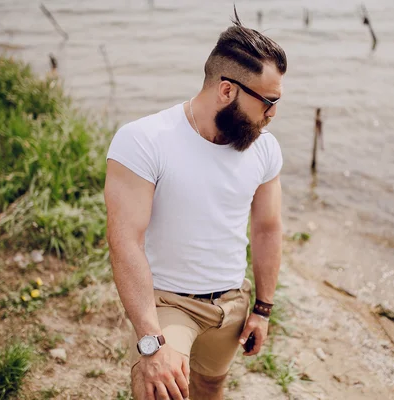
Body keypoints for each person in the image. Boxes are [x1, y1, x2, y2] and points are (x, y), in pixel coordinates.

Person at [104, 9, 287, 400]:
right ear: (227, 91)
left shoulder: (264, 148)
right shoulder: (144, 140)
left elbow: (267, 227)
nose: (272, 114)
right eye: (267, 102)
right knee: (157, 389)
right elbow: (125, 242)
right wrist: (151, 341)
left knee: (210, 386)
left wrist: (262, 308)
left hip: (231, 303)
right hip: (168, 302)